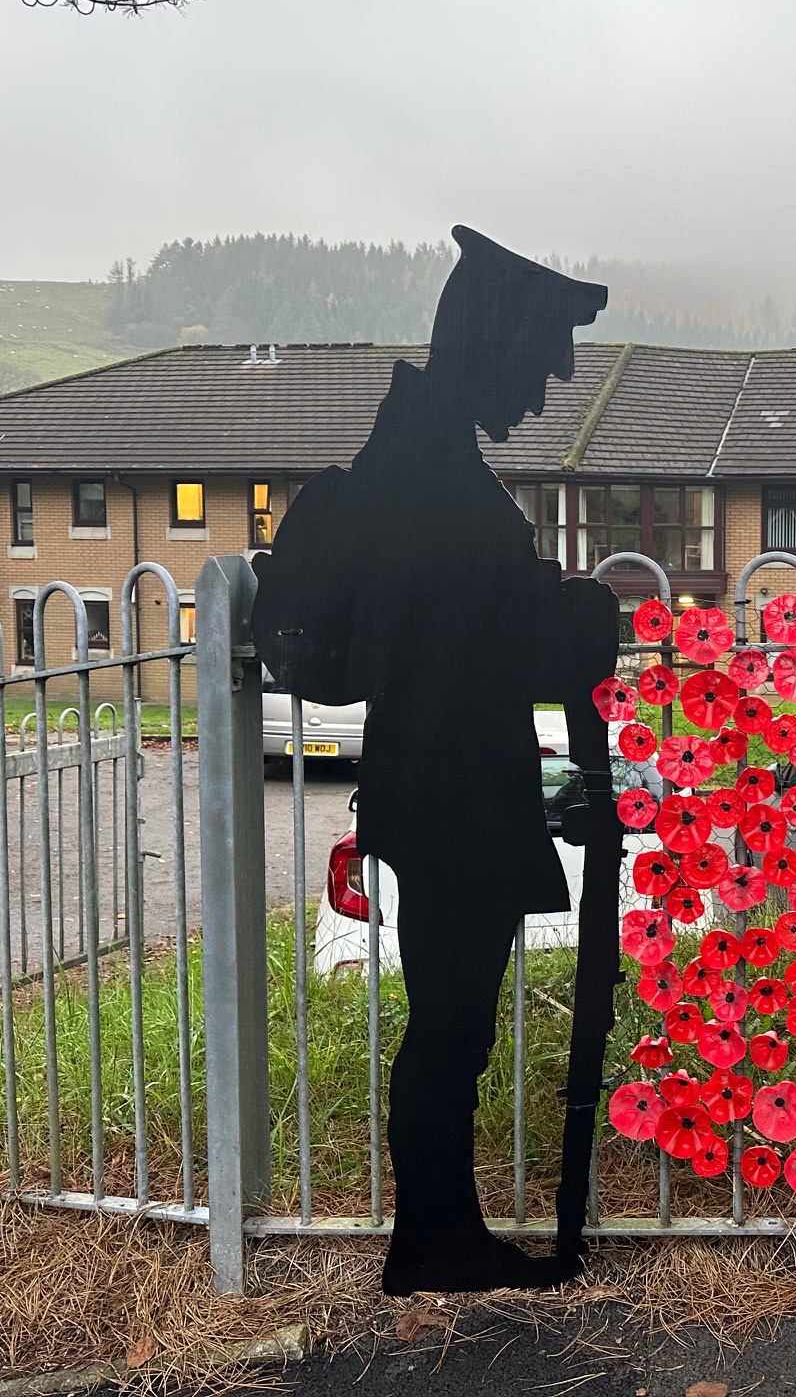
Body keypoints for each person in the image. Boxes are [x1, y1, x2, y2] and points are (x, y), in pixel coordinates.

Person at [252, 227, 621, 1294]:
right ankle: (432, 1243)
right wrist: (574, 615)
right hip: (454, 789)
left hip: (447, 784)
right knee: (451, 1027)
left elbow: (466, 619)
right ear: (492, 341)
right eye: (542, 360)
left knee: (453, 1026)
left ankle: (440, 1234)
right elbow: (484, 632)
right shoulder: (433, 475)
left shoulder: (423, 456)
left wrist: (546, 609)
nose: (548, 391)